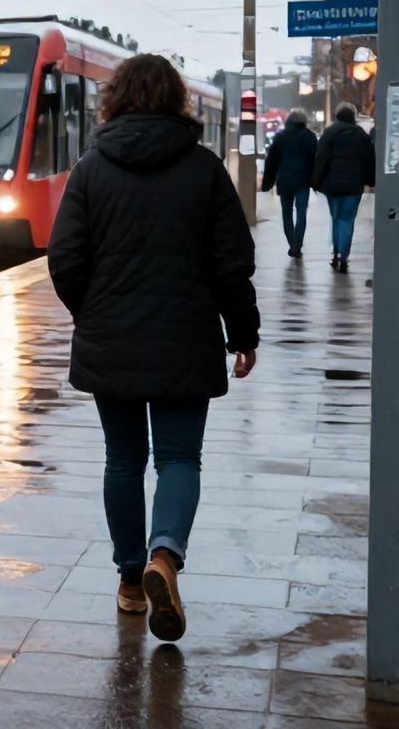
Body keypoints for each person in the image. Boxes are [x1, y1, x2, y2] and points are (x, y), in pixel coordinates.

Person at [48, 54, 259, 644]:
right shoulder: (204, 170)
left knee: (123, 460)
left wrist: (92, 315)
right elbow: (232, 265)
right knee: (179, 459)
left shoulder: (90, 170)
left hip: (110, 341)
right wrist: (243, 334)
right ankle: (164, 554)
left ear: (113, 100)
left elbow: (64, 260)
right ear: (177, 101)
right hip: (187, 341)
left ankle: (130, 582)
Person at [312, 102, 377, 273]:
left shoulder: (330, 132)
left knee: (335, 219)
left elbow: (321, 159)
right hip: (354, 186)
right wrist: (371, 180)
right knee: (347, 220)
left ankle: (335, 253)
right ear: (353, 116)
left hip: (332, 186)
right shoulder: (361, 135)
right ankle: (344, 257)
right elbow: (369, 160)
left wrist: (316, 182)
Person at [260, 110, 317, 257]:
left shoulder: (280, 137)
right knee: (301, 212)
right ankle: (297, 245)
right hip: (303, 181)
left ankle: (292, 244)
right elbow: (315, 160)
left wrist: (267, 182)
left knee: (287, 213)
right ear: (304, 122)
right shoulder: (310, 137)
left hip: (285, 181)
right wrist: (316, 181)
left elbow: (271, 161)